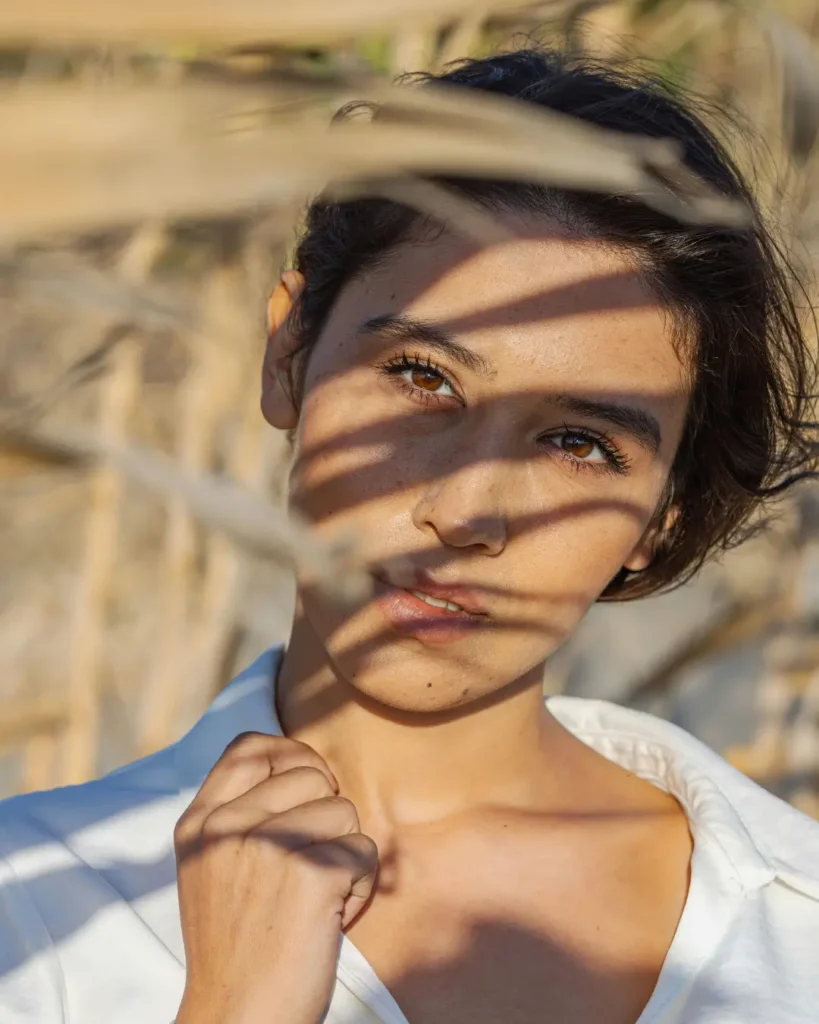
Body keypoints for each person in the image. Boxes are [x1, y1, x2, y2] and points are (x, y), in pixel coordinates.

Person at [2, 46, 819, 1024]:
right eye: (424, 378)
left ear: (666, 514)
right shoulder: (34, 905)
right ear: (289, 353)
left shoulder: (792, 925)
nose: (466, 508)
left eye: (578, 442)